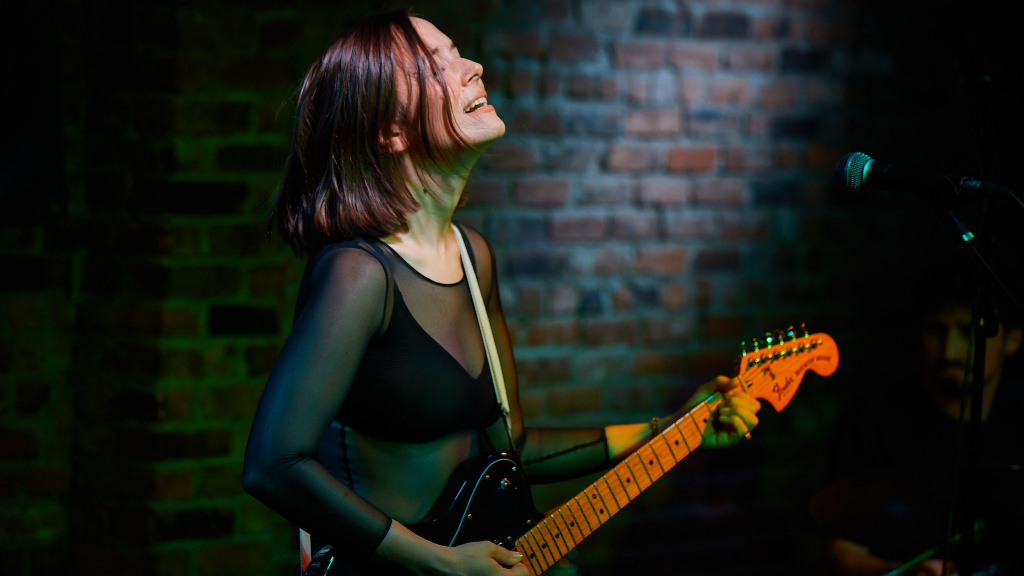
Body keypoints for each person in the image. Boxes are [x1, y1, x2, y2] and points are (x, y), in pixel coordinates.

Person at [242, 10, 761, 576]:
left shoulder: (472, 256)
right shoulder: (358, 273)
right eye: (436, 66)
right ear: (390, 132)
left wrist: (671, 429)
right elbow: (274, 464)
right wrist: (439, 563)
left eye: (458, 51)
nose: (472, 68)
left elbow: (513, 448)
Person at [820, 246, 1023, 576]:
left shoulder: (1017, 415)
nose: (950, 351)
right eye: (936, 330)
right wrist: (902, 571)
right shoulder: (872, 418)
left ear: (1014, 340)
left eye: (969, 331)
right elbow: (841, 550)